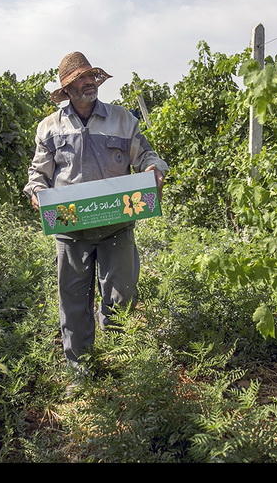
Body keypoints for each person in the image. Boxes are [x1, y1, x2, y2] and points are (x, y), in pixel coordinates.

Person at [24, 51, 169, 374]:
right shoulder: (49, 128)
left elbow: (146, 155)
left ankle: (120, 367)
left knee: (121, 299)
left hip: (116, 225)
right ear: (67, 90)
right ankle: (81, 373)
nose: (89, 82)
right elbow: (38, 174)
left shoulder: (122, 120)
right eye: (81, 79)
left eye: (92, 77)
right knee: (74, 303)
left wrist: (153, 169)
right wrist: (37, 192)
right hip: (70, 228)